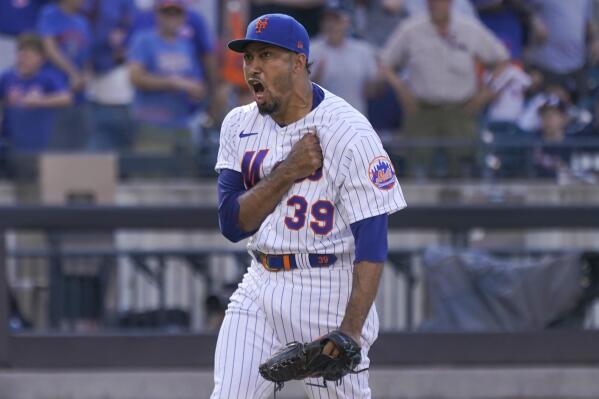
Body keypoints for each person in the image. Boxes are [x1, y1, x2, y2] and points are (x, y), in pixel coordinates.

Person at [212, 13, 406, 399]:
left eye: (266, 55)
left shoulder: (348, 131)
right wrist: (288, 171)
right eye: (248, 58)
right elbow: (232, 224)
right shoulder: (238, 124)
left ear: (298, 62)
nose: (253, 68)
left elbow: (372, 241)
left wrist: (350, 330)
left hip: (327, 288)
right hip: (260, 281)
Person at [381, 0, 509, 177]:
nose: (435, 5)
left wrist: (484, 95)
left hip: (461, 110)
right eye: (431, 2)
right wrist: (402, 91)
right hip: (422, 109)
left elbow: (502, 60)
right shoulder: (411, 29)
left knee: (464, 167)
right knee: (416, 166)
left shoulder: (469, 28)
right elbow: (385, 63)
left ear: (449, 3)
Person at [127, 0, 206, 154]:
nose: (171, 17)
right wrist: (172, 83)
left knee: (185, 174)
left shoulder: (186, 45)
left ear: (183, 17)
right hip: (151, 123)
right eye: (167, 13)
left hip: (182, 123)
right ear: (157, 15)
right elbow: (135, 77)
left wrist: (197, 92)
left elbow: (197, 83)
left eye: (176, 13)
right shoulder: (143, 40)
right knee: (151, 174)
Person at [0, 33, 72, 152]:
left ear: (41, 58)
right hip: (10, 139)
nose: (23, 58)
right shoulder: (7, 77)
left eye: (29, 55)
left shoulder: (48, 77)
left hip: (39, 142)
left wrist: (40, 101)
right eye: (20, 53)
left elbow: (66, 98)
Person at [84, 0, 137, 152]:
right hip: (91, 85)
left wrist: (124, 46)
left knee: (124, 153)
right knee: (94, 154)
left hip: (118, 82)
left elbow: (131, 32)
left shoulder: (125, 5)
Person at [37, 0, 91, 149]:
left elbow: (86, 57)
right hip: (55, 90)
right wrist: (72, 72)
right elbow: (50, 48)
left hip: (78, 95)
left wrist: (85, 77)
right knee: (53, 145)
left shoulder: (82, 21)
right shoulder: (50, 14)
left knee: (76, 144)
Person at [310, 5, 379, 116]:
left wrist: (381, 78)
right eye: (326, 20)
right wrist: (318, 75)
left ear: (346, 22)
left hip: (356, 117)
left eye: (336, 20)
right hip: (322, 118)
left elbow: (372, 92)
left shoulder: (363, 50)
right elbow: (304, 92)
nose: (331, 25)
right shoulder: (311, 49)